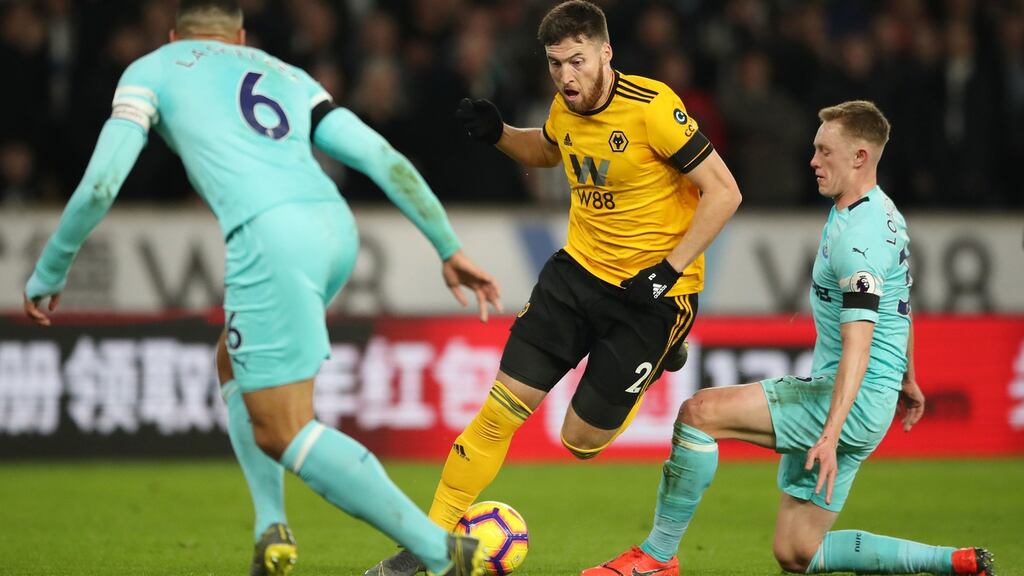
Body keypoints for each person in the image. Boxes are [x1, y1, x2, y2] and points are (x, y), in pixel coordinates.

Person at [21, 2, 500, 576]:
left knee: (285, 428)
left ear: (176, 34)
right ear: (240, 36)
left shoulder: (154, 67)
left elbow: (100, 184)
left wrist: (52, 266)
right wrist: (448, 246)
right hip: (334, 227)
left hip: (271, 237)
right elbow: (381, 155)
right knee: (232, 357)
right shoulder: (289, 75)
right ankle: (271, 528)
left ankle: (440, 552)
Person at [367, 1, 742, 574]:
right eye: (555, 63)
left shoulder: (655, 108)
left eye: (577, 60)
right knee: (498, 413)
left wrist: (668, 271)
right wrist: (499, 135)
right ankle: (426, 543)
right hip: (575, 276)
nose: (566, 76)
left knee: (580, 442)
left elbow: (724, 192)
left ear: (605, 53)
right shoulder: (564, 106)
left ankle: (666, 346)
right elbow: (549, 147)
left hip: (652, 294)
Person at [582, 100, 995, 576]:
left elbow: (858, 344)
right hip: (870, 400)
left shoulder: (857, 240)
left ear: (859, 157)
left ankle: (655, 559)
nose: (813, 161)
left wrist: (831, 432)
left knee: (699, 415)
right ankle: (955, 562)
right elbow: (899, 303)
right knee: (797, 551)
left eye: (824, 151)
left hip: (848, 403)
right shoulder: (884, 214)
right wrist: (908, 377)